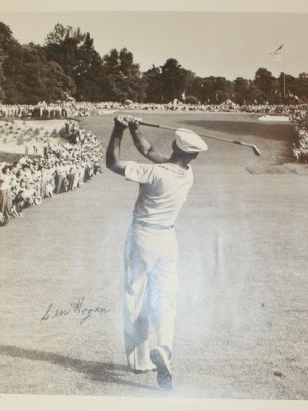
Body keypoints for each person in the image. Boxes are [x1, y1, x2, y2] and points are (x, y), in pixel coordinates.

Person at [106, 115, 207, 390]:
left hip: (142, 237)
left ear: (174, 146)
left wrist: (118, 129)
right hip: (168, 239)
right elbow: (148, 151)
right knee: (165, 298)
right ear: (193, 156)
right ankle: (164, 348)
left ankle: (140, 360)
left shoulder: (154, 173)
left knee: (135, 296)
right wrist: (136, 129)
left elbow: (113, 163)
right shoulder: (187, 174)